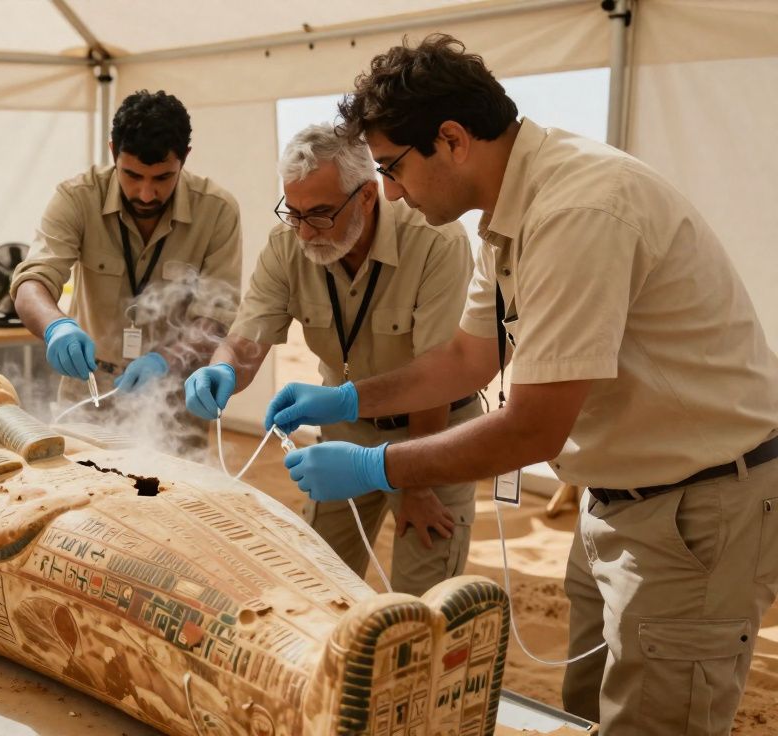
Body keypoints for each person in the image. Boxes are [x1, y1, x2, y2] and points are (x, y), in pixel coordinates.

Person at [265, 34, 778, 733]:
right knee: (590, 705)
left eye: (392, 167)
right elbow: (465, 361)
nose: (391, 192)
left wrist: (375, 464)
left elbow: (535, 428)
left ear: (450, 140)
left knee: (658, 720)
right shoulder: (509, 214)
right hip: (626, 496)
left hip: (697, 508)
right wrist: (352, 400)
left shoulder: (576, 211)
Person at [0, 337, 512, 736]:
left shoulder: (63, 435)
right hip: (71, 535)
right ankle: (313, 692)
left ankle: (369, 634)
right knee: (193, 601)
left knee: (258, 534)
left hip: (126, 502)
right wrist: (59, 492)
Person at [185, 123, 479, 596]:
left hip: (432, 434)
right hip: (345, 436)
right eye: (293, 212)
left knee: (422, 606)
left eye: (320, 214)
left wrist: (418, 485)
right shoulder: (287, 246)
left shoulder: (435, 241)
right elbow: (247, 337)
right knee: (315, 587)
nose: (304, 231)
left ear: (366, 196)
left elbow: (439, 374)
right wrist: (221, 368)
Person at [11, 90, 241, 452]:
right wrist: (56, 326)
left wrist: (165, 361)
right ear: (112, 151)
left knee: (170, 501)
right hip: (88, 392)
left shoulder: (217, 211)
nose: (146, 194)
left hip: (172, 401)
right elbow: (32, 283)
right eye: (132, 175)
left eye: (163, 178)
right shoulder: (76, 198)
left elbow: (215, 317)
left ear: (185, 159)